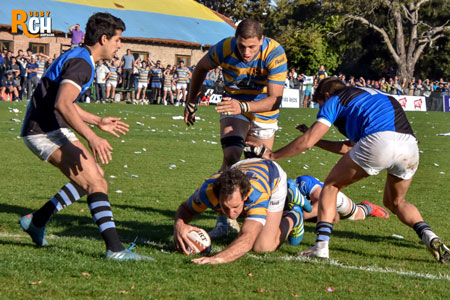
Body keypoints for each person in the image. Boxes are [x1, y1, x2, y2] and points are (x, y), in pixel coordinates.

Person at [244, 77, 450, 263]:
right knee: (395, 202)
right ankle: (429, 236)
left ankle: (321, 246)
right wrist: (317, 142)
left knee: (331, 187)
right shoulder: (370, 95)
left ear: (325, 95)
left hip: (380, 142)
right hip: (409, 146)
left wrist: (273, 155)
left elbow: (307, 141)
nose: (320, 108)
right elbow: (349, 148)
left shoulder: (336, 99)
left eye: (319, 104)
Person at [19, 12, 153, 261]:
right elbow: (63, 103)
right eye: (117, 40)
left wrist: (98, 121)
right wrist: (93, 137)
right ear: (103, 39)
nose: (119, 45)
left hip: (49, 127)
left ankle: (36, 221)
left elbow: (65, 102)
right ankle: (115, 249)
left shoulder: (79, 57)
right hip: (44, 131)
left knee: (94, 179)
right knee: (95, 183)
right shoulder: (82, 63)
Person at [182, 19, 288, 238]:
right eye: (241, 46)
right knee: (231, 158)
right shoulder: (224, 47)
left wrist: (245, 105)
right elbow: (201, 68)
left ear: (262, 40)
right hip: (234, 105)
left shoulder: (274, 52)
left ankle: (257, 218)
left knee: (262, 165)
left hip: (263, 109)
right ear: (235, 40)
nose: (246, 52)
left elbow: (275, 100)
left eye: (252, 47)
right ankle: (224, 221)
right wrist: (191, 102)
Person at [173, 158, 308, 264]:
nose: (231, 215)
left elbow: (248, 238)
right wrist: (179, 225)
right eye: (225, 207)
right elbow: (185, 209)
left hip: (272, 176)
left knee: (263, 246)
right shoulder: (207, 191)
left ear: (246, 196)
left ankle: (294, 214)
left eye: (235, 207)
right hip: (241, 167)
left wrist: (218, 259)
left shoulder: (256, 195)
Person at [292, 175, 389, 222]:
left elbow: (323, 201)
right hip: (317, 205)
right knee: (334, 218)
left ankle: (368, 207)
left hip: (332, 197)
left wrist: (292, 218)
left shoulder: (302, 183)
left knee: (356, 215)